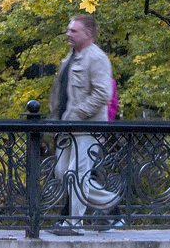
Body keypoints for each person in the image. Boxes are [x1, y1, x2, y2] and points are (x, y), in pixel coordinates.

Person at [48, 14, 119, 236]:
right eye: (69, 30)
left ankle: (74, 225)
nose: (68, 34)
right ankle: (109, 200)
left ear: (88, 34)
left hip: (87, 127)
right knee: (62, 172)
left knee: (76, 174)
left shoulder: (96, 58)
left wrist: (78, 113)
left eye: (73, 31)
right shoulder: (70, 58)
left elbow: (103, 93)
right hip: (66, 127)